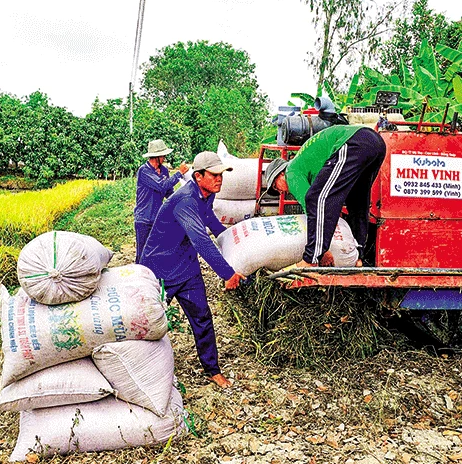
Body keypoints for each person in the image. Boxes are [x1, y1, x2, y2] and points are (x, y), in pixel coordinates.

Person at [140, 151, 246, 389]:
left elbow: (211, 221)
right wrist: (228, 274)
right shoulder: (185, 200)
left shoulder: (207, 195)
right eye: (214, 175)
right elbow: (201, 241)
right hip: (160, 269)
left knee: (202, 317)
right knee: (149, 321)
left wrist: (233, 241)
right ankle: (144, 371)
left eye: (221, 175)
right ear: (198, 176)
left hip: (186, 266)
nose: (219, 179)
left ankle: (212, 370)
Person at [264, 124, 386, 268]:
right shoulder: (304, 162)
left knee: (316, 200)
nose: (280, 192)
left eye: (275, 186)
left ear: (281, 174)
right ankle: (358, 257)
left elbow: (313, 206)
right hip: (376, 143)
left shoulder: (291, 172)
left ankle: (311, 258)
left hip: (353, 142)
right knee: (357, 202)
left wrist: (322, 250)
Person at [134, 139, 189, 263]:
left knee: (156, 252)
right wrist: (179, 173)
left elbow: (169, 192)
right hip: (144, 219)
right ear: (156, 157)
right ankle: (140, 274)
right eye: (163, 155)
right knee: (142, 255)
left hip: (157, 219)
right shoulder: (144, 171)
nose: (164, 158)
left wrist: (181, 201)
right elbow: (162, 186)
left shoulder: (164, 171)